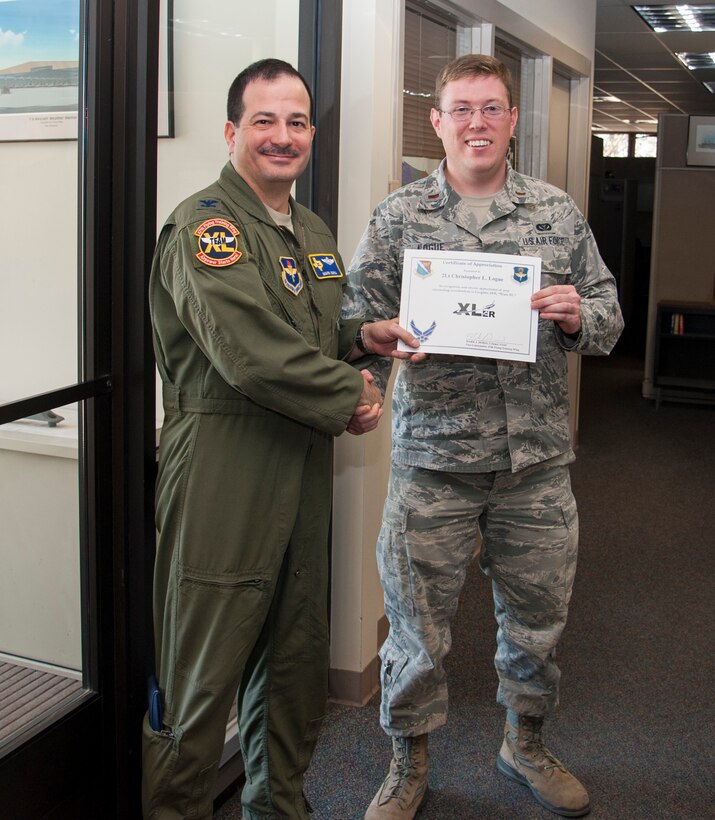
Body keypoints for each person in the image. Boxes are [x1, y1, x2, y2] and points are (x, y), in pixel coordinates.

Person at [342, 54, 624, 819]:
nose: (476, 122)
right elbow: (349, 322)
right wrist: (376, 332)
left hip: (532, 465)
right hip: (432, 463)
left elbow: (607, 316)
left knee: (535, 625)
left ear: (510, 120)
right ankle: (407, 762)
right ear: (436, 121)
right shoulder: (399, 217)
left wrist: (576, 314)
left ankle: (523, 744)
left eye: (490, 108)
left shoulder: (555, 214)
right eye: (460, 108)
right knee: (415, 632)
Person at [142, 58, 421, 820]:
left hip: (299, 466)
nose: (282, 136)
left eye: (296, 121)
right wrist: (349, 393)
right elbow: (249, 352)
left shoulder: (308, 228)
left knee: (294, 668)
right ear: (232, 132)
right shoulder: (206, 228)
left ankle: (278, 809)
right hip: (223, 470)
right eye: (263, 120)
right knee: (202, 679)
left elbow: (310, 330)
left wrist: (360, 335)